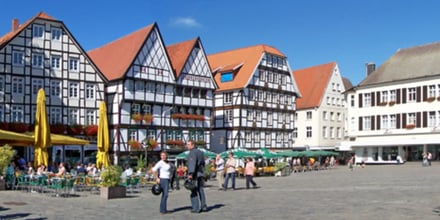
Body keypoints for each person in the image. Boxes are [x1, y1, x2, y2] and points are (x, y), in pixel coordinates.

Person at [186, 140, 208, 213]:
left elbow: (192, 163)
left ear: (193, 145)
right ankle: (203, 206)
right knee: (201, 190)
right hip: (200, 173)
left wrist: (190, 174)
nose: (187, 146)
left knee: (194, 190)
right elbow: (203, 163)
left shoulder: (192, 153)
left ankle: (196, 208)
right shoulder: (201, 152)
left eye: (188, 144)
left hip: (195, 174)